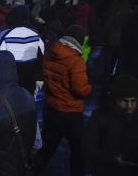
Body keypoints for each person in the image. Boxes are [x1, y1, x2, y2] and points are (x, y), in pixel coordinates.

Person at [35, 25, 92, 176]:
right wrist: (89, 89)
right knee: (78, 151)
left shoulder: (51, 53)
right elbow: (80, 89)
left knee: (47, 148)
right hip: (71, 112)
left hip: (51, 109)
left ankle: (32, 170)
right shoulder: (76, 60)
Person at [83, 74, 138, 176]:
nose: (129, 106)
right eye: (125, 101)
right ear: (116, 99)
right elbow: (88, 148)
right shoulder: (100, 116)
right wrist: (111, 159)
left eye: (133, 101)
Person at [0, 5, 45, 94]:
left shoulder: (4, 35)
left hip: (10, 80)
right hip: (30, 80)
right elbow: (42, 59)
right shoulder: (35, 35)